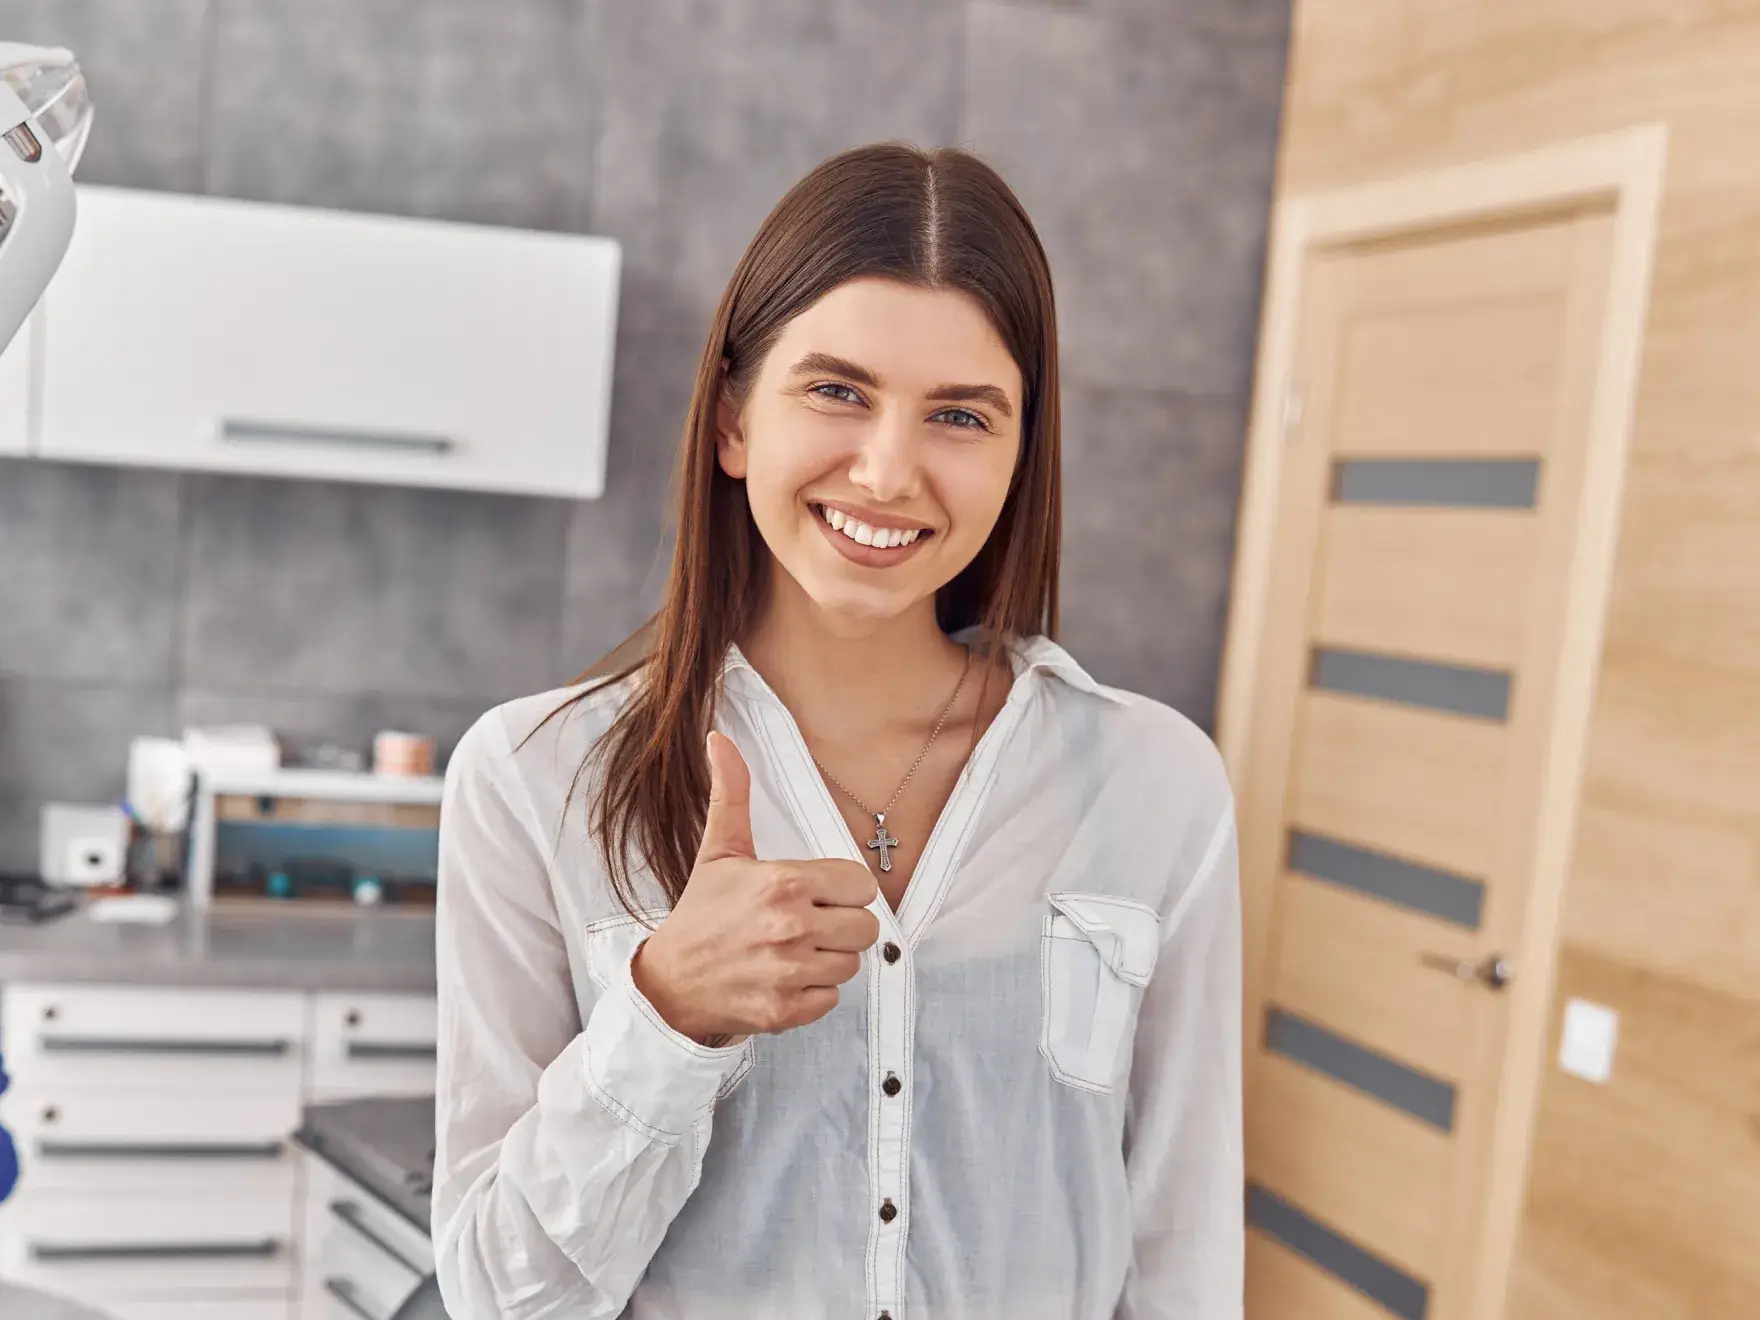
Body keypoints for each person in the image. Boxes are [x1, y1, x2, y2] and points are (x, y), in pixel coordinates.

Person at [432, 141, 1242, 1320]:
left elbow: (1180, 1248)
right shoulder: (534, 777)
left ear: (1020, 460)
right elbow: (501, 1299)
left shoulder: (1151, 783)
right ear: (731, 422)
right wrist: (665, 1014)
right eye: (836, 391)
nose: (887, 469)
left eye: (960, 415)